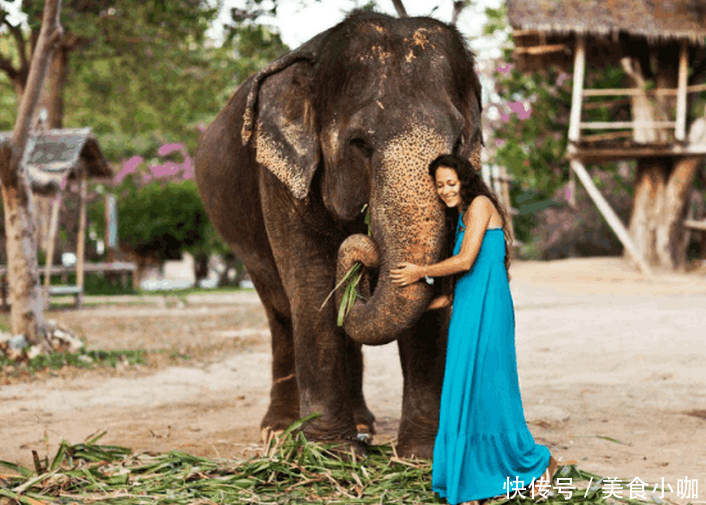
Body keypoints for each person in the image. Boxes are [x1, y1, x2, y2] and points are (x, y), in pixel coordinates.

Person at [391, 153, 557, 505]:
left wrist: (419, 272)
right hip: (466, 312)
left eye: (451, 183)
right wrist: (415, 306)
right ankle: (472, 479)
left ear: (465, 181)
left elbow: (466, 262)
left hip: (490, 312)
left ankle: (540, 462)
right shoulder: (461, 217)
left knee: (492, 388)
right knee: (463, 389)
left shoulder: (480, 204)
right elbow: (463, 284)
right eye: (440, 185)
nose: (446, 190)